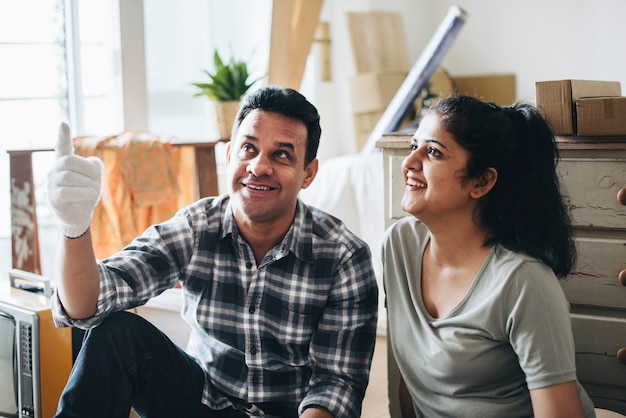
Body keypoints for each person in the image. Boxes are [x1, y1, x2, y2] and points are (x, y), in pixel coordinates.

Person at [46, 85, 379, 418]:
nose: (259, 167)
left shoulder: (344, 257)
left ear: (308, 173)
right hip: (201, 402)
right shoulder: (196, 227)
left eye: (281, 154)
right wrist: (74, 227)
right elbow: (85, 306)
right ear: (229, 154)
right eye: (249, 148)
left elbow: (336, 384)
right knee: (116, 334)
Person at [381, 95, 596, 418]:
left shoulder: (523, 281)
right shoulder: (400, 245)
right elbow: (413, 384)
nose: (410, 162)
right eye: (414, 146)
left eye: (434, 152)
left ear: (481, 182)